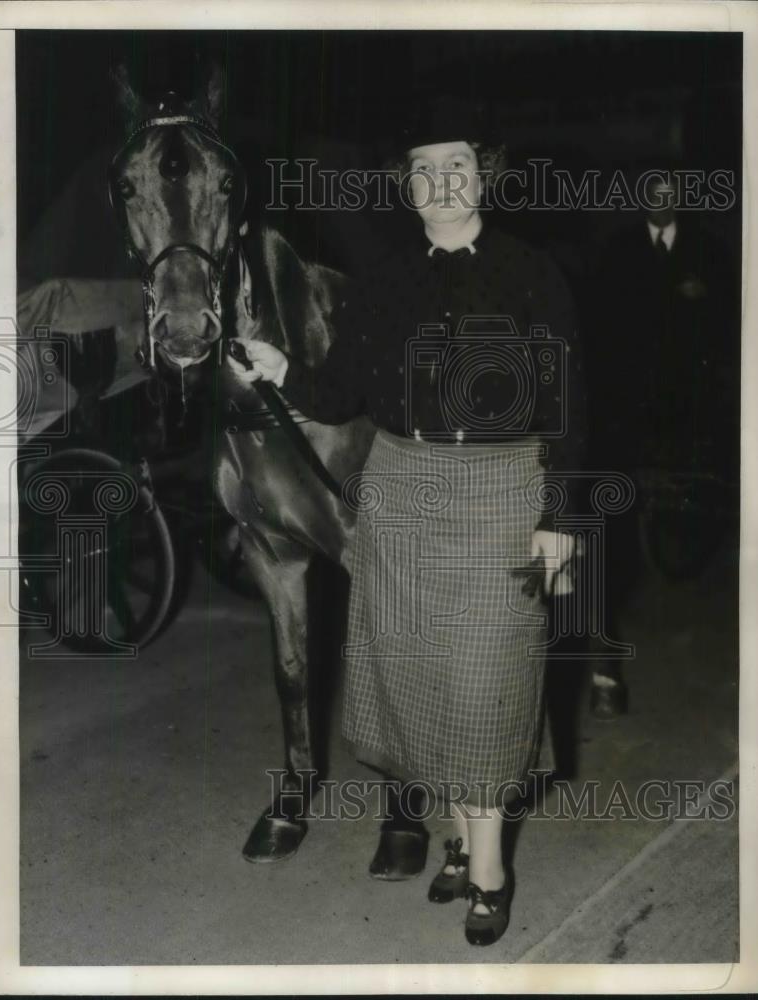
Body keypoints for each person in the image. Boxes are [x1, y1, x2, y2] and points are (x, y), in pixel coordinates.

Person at [242, 97, 585, 946]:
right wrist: (281, 368)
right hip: (400, 490)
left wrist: (562, 516)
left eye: (457, 168)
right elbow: (341, 394)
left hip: (505, 491)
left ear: (485, 176)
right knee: (430, 687)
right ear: (406, 188)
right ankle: (466, 848)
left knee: (491, 681)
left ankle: (491, 870)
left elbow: (572, 405)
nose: (440, 184)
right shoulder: (386, 280)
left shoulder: (534, 272)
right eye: (423, 172)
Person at [584, 167, 740, 717]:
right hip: (631, 384)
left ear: (680, 199)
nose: (660, 201)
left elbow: (729, 315)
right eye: (652, 194)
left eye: (668, 194)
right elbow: (599, 315)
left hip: (685, 380)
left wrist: (702, 300)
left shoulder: (708, 250)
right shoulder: (620, 248)